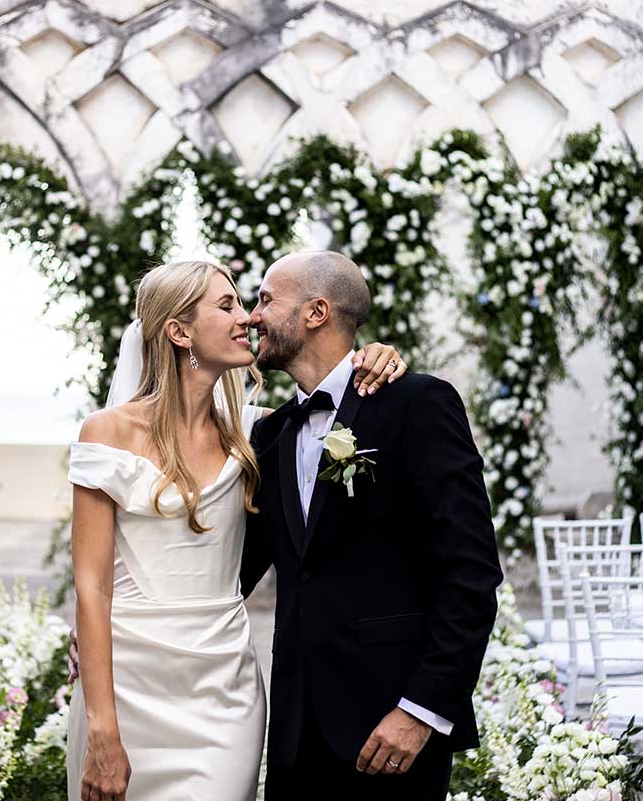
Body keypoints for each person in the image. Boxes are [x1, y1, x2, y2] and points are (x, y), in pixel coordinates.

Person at [65, 258, 406, 801]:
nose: (247, 318)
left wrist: (378, 356)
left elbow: (335, 395)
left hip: (224, 690)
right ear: (179, 332)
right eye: (227, 306)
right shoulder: (107, 433)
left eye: (246, 303)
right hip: (128, 685)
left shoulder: (260, 434)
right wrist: (102, 728)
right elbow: (92, 586)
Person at [240, 250, 503, 800]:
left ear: (316, 312)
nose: (252, 315)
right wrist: (122, 626)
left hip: (391, 730)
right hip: (294, 735)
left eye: (265, 299)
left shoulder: (416, 404)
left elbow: (471, 573)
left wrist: (422, 711)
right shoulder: (271, 436)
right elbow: (231, 573)